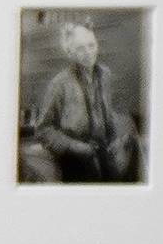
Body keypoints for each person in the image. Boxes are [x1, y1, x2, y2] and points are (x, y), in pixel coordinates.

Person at [18, 16, 139, 184]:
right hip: (74, 158)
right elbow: (43, 130)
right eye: (81, 49)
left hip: (103, 151)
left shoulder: (105, 75)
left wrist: (116, 138)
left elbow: (108, 113)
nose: (88, 52)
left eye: (91, 45)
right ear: (70, 53)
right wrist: (76, 147)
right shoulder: (60, 84)